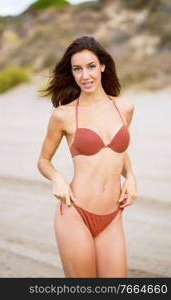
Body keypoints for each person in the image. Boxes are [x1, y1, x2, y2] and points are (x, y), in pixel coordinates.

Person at [37, 35, 138, 278]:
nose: (85, 75)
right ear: (71, 73)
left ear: (103, 65)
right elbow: (43, 160)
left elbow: (117, 151)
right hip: (76, 212)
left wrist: (131, 177)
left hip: (113, 215)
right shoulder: (64, 115)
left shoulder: (123, 107)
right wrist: (57, 179)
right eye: (77, 69)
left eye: (91, 66)